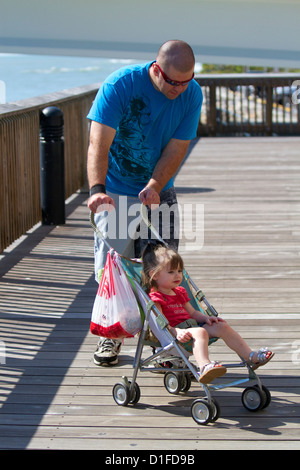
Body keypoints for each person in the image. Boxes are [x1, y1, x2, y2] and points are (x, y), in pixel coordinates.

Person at [87, 40, 203, 366]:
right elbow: (98, 142)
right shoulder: (120, 85)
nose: (179, 89)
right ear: (156, 69)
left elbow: (177, 148)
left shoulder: (192, 93)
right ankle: (111, 336)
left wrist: (155, 185)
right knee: (113, 268)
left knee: (163, 268)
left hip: (159, 187)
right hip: (115, 188)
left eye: (187, 81)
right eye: (173, 82)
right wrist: (97, 188)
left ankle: (163, 343)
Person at [142, 242, 274, 383]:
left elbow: (193, 313)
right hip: (174, 337)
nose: (177, 275)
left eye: (180, 271)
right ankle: (204, 366)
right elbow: (160, 323)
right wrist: (176, 331)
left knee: (222, 325)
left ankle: (250, 356)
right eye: (171, 272)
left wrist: (206, 318)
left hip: (192, 328)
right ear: (154, 275)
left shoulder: (179, 292)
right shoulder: (156, 297)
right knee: (200, 332)